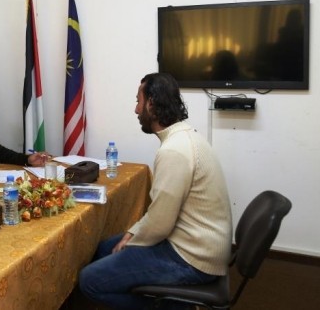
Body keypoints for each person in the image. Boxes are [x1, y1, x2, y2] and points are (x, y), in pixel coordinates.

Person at [78, 73, 232, 310]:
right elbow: (160, 213)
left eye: (138, 101)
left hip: (193, 258)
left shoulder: (174, 151)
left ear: (151, 103)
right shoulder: (185, 135)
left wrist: (132, 242)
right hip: (195, 244)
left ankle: (171, 307)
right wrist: (133, 233)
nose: (136, 110)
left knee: (89, 281)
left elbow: (160, 223)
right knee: (103, 250)